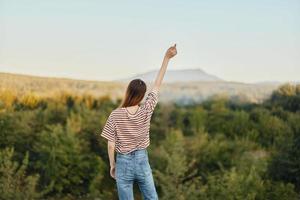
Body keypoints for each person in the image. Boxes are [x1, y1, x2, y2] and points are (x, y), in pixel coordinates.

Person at [100, 44, 177, 200]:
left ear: (128, 92)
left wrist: (112, 165)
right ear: (142, 96)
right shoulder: (146, 109)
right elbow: (157, 85)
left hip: (123, 162)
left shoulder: (115, 115)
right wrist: (166, 58)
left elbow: (110, 144)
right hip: (142, 161)